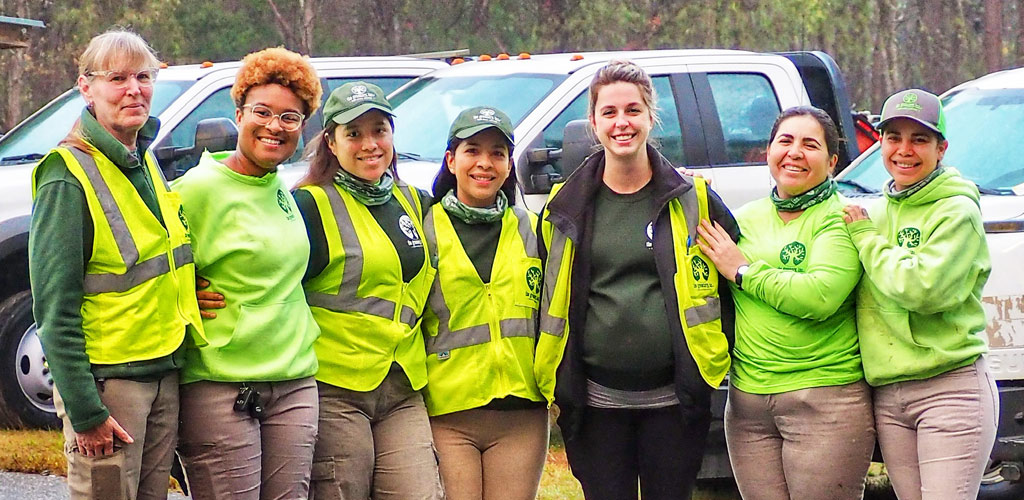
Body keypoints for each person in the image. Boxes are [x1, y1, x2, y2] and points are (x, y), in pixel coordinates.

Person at [534, 60, 740, 499]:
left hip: (674, 404)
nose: (621, 123)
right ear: (593, 123)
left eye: (632, 110)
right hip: (595, 405)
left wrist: (711, 363)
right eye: (609, 112)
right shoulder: (564, 207)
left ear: (650, 116)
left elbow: (732, 287)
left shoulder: (694, 200)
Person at [29, 29, 204, 500]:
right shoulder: (67, 175)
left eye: (143, 77)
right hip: (109, 385)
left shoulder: (142, 158)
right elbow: (54, 310)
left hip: (162, 373)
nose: (134, 89)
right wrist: (86, 411)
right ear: (86, 87)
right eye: (118, 78)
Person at [696, 106, 874, 500]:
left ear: (831, 161)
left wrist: (744, 271)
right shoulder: (743, 220)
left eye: (810, 145)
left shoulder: (841, 217)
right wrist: (689, 190)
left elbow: (820, 296)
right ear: (769, 151)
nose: (795, 152)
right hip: (748, 406)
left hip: (823, 400)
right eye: (786, 141)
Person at [171, 47, 323, 500]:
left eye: (290, 117)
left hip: (294, 381)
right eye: (262, 112)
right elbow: (153, 268)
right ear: (238, 115)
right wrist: (181, 293)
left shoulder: (280, 188)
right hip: (221, 385)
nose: (275, 126)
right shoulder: (196, 190)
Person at [843, 89, 998, 500]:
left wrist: (866, 239)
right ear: (880, 143)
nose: (904, 150)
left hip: (950, 389)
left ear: (941, 148)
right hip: (890, 395)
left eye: (920, 139)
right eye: (893, 137)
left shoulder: (956, 212)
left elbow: (920, 289)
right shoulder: (876, 211)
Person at [293, 82, 442, 499]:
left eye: (379, 130)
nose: (370, 144)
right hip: (335, 389)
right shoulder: (308, 206)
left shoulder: (415, 201)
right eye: (354, 133)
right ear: (330, 142)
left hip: (402, 385)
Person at [420, 107, 548, 500]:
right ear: (451, 160)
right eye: (472, 150)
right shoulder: (424, 229)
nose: (484, 163)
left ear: (509, 166)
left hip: (521, 415)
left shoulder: (534, 230)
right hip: (448, 414)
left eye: (497, 153)